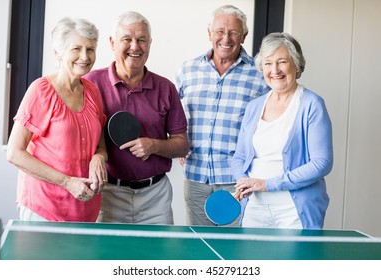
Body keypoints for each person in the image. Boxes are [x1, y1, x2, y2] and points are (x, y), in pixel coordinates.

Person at [84, 11, 188, 225]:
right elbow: (78, 135)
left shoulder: (166, 88)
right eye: (127, 39)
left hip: (155, 198)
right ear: (112, 42)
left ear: (149, 43)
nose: (135, 46)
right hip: (108, 194)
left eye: (142, 40)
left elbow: (182, 145)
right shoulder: (90, 83)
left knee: (157, 258)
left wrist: (153, 145)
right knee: (108, 257)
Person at [174, 5, 269, 226]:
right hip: (196, 177)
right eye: (219, 31)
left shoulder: (260, 74)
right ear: (209, 33)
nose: (226, 38)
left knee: (235, 250)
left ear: (244, 36)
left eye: (234, 32)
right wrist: (177, 140)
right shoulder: (187, 70)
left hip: (237, 182)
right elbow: (171, 113)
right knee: (198, 247)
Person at [6, 18, 108, 222]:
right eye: (76, 49)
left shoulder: (92, 92)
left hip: (84, 207)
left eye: (90, 49)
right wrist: (67, 182)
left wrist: (99, 158)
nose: (84, 56)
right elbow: (14, 153)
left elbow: (101, 146)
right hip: (44, 207)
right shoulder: (41, 90)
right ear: (58, 53)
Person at [232, 32, 333, 229]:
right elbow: (239, 157)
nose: (274, 70)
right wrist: (243, 181)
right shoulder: (254, 106)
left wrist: (267, 184)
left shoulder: (312, 105)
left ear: (296, 65)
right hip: (255, 208)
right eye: (268, 63)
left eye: (282, 62)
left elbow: (322, 163)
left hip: (294, 211)